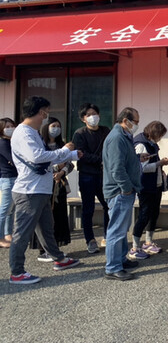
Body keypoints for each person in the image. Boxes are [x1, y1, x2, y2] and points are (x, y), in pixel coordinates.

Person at [8, 96, 81, 284]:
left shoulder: (31, 132)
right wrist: (65, 150)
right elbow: (37, 157)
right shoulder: (24, 133)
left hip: (39, 190)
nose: (46, 117)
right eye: (46, 113)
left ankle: (59, 259)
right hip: (29, 191)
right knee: (22, 233)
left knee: (47, 228)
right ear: (40, 112)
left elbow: (45, 159)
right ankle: (17, 272)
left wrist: (72, 154)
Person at [102, 107, 143, 281]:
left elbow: (124, 162)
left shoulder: (124, 136)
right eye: (135, 122)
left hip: (124, 190)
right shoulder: (117, 138)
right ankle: (112, 267)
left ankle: (120, 260)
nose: (137, 125)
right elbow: (116, 168)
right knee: (116, 230)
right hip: (119, 191)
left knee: (122, 229)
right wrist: (126, 188)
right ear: (125, 120)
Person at [128, 121, 168, 260]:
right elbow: (142, 168)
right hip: (145, 186)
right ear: (154, 133)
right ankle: (135, 247)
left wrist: (160, 165)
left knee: (154, 213)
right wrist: (160, 163)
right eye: (160, 135)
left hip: (156, 184)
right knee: (144, 215)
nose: (160, 138)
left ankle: (148, 242)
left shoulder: (151, 144)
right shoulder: (141, 145)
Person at [72, 103, 111, 254]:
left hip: (103, 175)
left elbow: (110, 149)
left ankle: (107, 236)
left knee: (109, 205)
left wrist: (104, 161)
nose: (92, 117)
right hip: (87, 175)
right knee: (88, 209)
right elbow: (81, 154)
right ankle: (90, 240)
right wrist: (100, 160)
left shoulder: (105, 131)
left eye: (95, 113)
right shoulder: (79, 134)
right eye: (88, 115)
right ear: (83, 118)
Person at [35, 117, 74, 261]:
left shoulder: (62, 145)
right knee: (45, 218)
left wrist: (62, 172)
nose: (56, 129)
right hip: (44, 185)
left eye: (58, 126)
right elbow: (41, 163)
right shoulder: (40, 144)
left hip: (60, 184)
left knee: (58, 215)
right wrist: (57, 168)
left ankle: (55, 247)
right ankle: (43, 249)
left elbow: (69, 164)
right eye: (53, 126)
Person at [0, 118, 17, 248]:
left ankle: (7, 234)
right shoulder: (3, 143)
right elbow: (13, 160)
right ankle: (1, 237)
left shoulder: (10, 142)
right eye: (7, 127)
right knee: (5, 210)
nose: (10, 128)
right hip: (8, 178)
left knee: (11, 210)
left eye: (12, 126)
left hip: (13, 178)